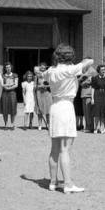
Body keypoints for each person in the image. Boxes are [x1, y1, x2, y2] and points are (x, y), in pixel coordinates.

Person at [41, 44, 95, 193]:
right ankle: (68, 184)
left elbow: (40, 73)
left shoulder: (51, 70)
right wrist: (80, 62)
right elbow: (90, 61)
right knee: (65, 150)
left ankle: (53, 182)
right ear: (70, 57)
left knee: (54, 149)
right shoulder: (71, 69)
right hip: (66, 107)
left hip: (55, 107)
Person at [91, 64, 105, 133]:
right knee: (96, 112)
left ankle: (101, 127)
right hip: (97, 95)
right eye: (102, 70)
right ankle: (96, 127)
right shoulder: (95, 78)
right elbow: (93, 88)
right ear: (99, 70)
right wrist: (92, 98)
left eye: (104, 69)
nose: (103, 71)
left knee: (103, 112)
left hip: (104, 96)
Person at [1, 62, 18, 130]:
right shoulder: (3, 75)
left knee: (13, 108)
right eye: (7, 67)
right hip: (5, 93)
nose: (8, 68)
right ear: (5, 68)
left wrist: (8, 87)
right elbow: (2, 84)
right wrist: (8, 86)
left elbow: (16, 85)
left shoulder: (15, 75)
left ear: (11, 68)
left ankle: (12, 124)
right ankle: (6, 124)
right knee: (5, 109)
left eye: (9, 67)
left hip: (12, 93)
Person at [35, 63, 52, 130]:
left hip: (47, 93)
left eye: (44, 68)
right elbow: (34, 86)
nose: (42, 69)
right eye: (41, 68)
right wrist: (39, 86)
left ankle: (48, 124)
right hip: (39, 93)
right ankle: (40, 124)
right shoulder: (37, 76)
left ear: (46, 69)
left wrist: (45, 86)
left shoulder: (48, 75)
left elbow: (52, 85)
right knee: (40, 110)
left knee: (48, 110)